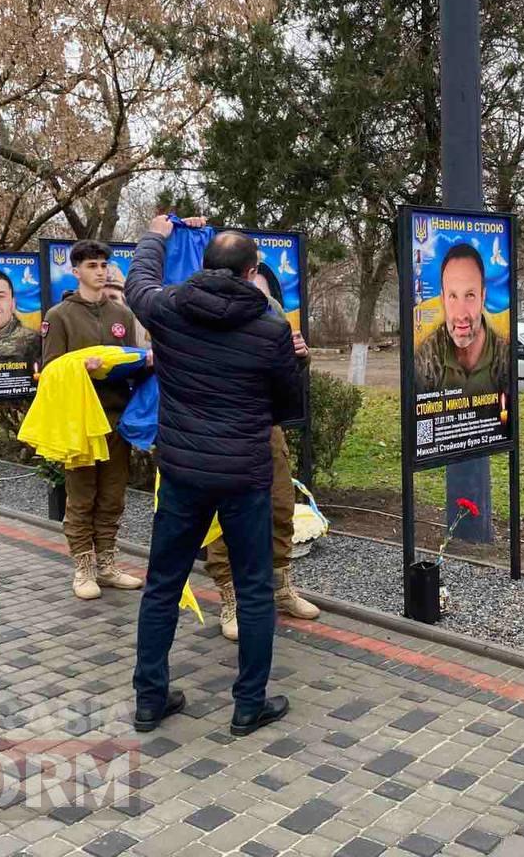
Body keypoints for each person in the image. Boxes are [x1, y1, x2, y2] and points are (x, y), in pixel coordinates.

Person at [126, 218, 302, 737]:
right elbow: (287, 408)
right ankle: (249, 704)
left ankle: (149, 700)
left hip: (182, 471)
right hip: (245, 475)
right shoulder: (272, 329)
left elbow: (138, 279)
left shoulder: (169, 310)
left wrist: (157, 234)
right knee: (253, 589)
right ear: (252, 274)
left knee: (162, 585)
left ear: (204, 266)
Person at [204, 260, 318, 640]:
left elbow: (287, 378)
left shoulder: (275, 312)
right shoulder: (209, 314)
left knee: (281, 507)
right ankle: (230, 597)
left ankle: (280, 586)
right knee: (226, 518)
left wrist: (301, 357)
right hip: (224, 431)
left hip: (268, 428)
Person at [42, 241, 145, 600]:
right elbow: (50, 371)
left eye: (104, 265)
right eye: (92, 266)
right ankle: (83, 568)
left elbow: (128, 361)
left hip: (116, 415)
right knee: (82, 495)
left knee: (113, 495)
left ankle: (107, 564)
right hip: (80, 421)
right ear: (76, 271)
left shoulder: (122, 315)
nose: (100, 271)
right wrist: (78, 368)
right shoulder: (59, 316)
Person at [413, 243, 508, 395]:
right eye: (453, 296)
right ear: (443, 299)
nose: (461, 315)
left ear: (483, 297)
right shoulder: (424, 358)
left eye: (470, 295)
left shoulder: (505, 357)